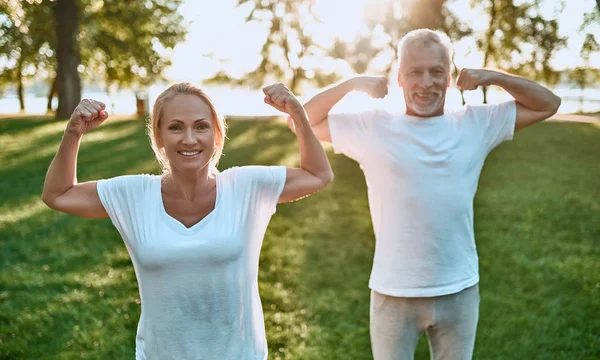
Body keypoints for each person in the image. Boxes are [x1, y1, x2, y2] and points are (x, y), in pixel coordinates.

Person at [298, 29, 561, 360]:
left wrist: (491, 76)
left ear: (449, 78)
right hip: (393, 292)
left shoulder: (476, 124)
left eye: (436, 71)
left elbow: (548, 104)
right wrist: (353, 84)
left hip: (459, 291)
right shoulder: (373, 127)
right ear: (399, 78)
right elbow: (301, 121)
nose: (426, 83)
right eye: (415, 72)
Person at [41, 82, 333, 359]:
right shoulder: (134, 194)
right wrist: (73, 133)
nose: (189, 139)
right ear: (159, 137)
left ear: (217, 135)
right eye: (176, 127)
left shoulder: (247, 186)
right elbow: (58, 194)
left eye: (202, 126)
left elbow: (318, 175)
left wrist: (298, 114)